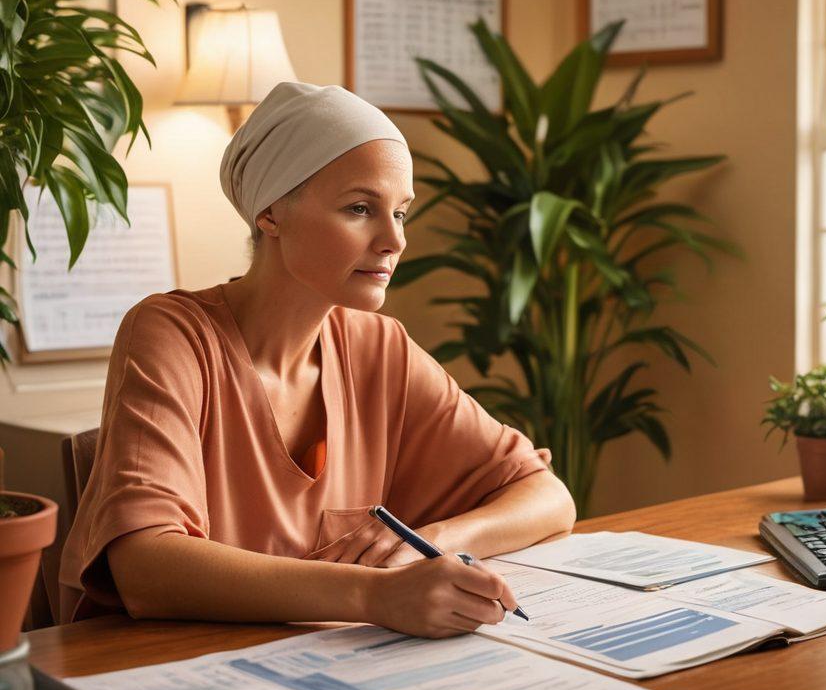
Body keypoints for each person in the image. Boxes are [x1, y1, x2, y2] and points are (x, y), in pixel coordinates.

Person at [58, 82, 576, 637]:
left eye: (400, 213)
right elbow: (143, 565)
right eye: (360, 208)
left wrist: (438, 540)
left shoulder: (381, 348)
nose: (394, 240)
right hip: (163, 673)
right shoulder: (171, 334)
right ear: (271, 213)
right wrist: (377, 595)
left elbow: (548, 497)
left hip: (324, 673)